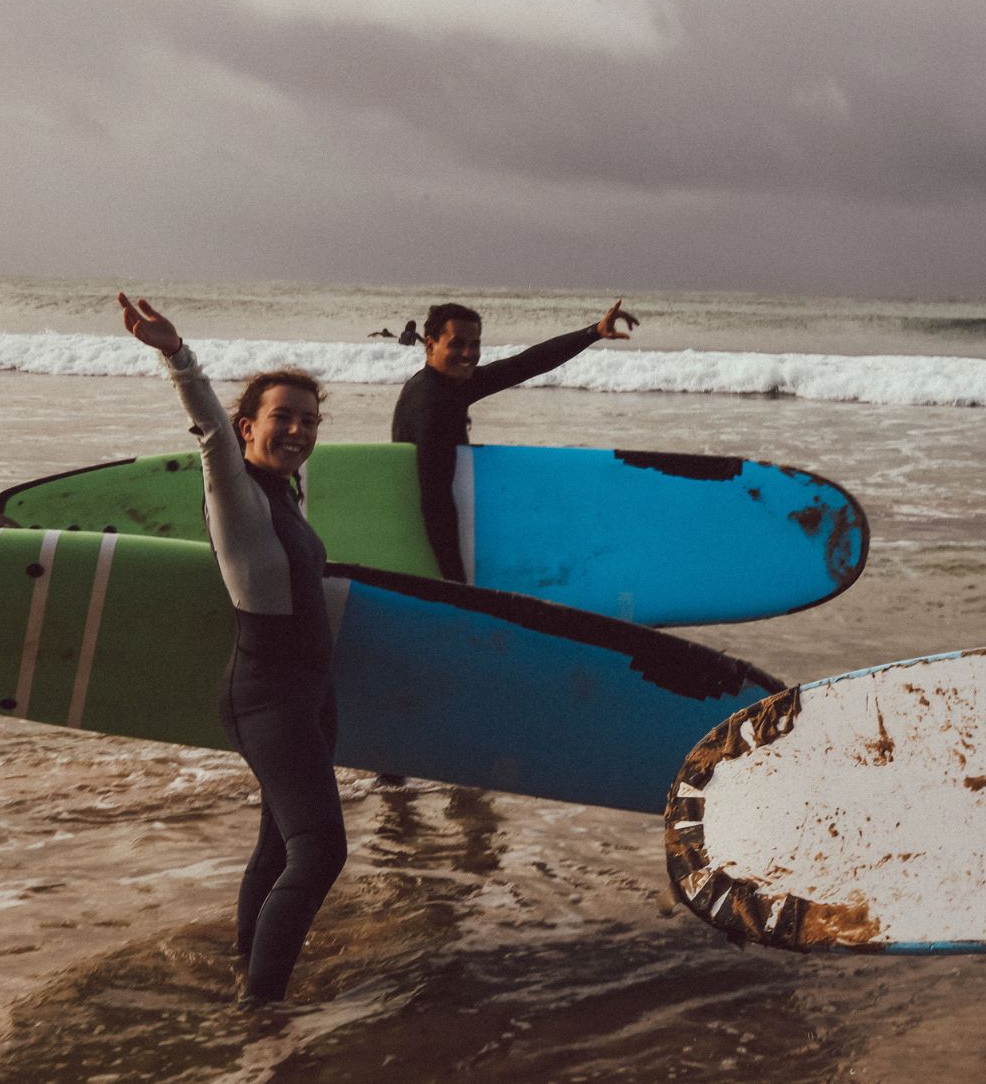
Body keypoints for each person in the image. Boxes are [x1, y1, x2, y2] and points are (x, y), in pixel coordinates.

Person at [118, 293, 345, 1004]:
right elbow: (211, 434)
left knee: (279, 845)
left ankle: (248, 972)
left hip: (306, 693)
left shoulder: (284, 492)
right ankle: (262, 1008)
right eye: (283, 417)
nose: (299, 430)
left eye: (309, 421)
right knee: (320, 851)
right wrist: (176, 354)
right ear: (249, 425)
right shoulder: (238, 492)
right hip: (267, 692)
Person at [391, 299, 637, 582]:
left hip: (434, 522)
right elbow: (436, 502)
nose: (469, 353)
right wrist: (456, 585)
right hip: (432, 535)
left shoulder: (445, 385)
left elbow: (525, 364)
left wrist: (593, 332)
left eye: (475, 344)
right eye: (457, 344)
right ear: (430, 345)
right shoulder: (433, 405)